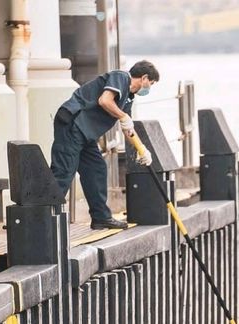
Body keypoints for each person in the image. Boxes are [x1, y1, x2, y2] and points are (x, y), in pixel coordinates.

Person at [50, 60, 158, 229]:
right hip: (73, 123)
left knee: (96, 169)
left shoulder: (128, 98)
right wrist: (123, 116)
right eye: (150, 84)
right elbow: (105, 101)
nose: (148, 89)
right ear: (144, 78)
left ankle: (101, 217)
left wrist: (142, 149)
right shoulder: (121, 77)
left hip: (86, 133)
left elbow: (127, 128)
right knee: (64, 172)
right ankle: (45, 219)